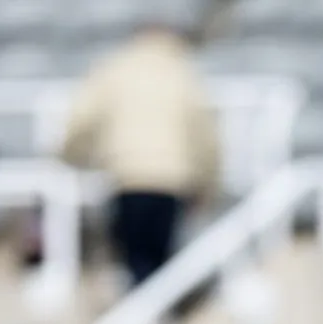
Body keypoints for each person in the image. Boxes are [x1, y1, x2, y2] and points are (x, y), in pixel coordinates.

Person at [58, 23, 220, 288]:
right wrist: (209, 179)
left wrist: (67, 158)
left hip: (127, 176)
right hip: (172, 180)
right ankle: (154, 306)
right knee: (159, 260)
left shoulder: (113, 68)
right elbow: (204, 131)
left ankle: (143, 302)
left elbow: (82, 119)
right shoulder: (182, 72)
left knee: (135, 260)